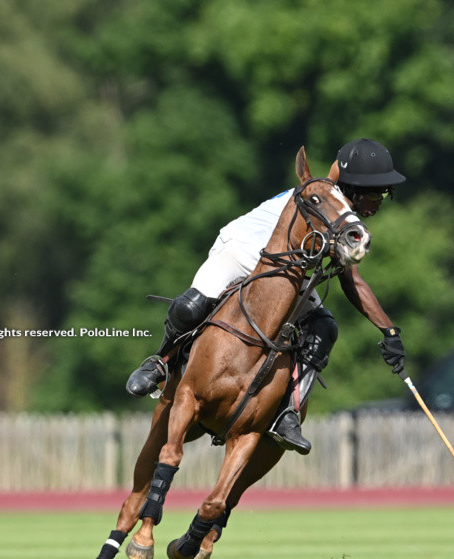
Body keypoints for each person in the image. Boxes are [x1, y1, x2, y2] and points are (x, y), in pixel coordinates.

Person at [125, 138, 408, 454]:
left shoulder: (344, 215)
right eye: (377, 192)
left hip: (282, 275)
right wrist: (387, 329)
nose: (383, 199)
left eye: (386, 192)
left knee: (324, 328)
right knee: (191, 306)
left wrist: (389, 331)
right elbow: (351, 281)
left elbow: (350, 277)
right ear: (353, 188)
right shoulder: (323, 202)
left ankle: (289, 412)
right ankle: (161, 362)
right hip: (241, 252)